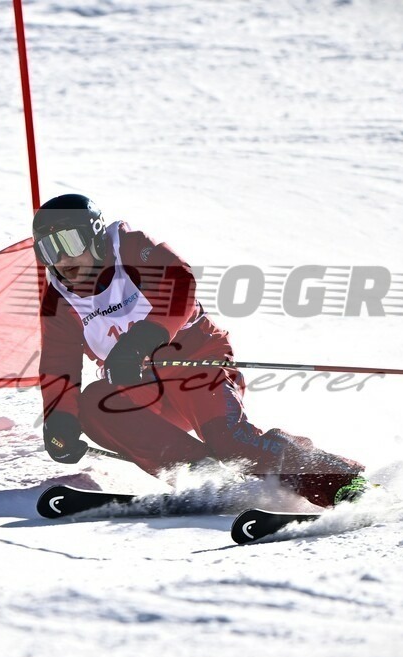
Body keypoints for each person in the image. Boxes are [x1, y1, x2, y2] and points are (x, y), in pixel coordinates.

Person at [34, 193, 365, 507]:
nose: (61, 259)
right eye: (48, 250)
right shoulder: (59, 301)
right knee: (94, 405)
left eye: (69, 243)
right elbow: (57, 364)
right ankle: (206, 478)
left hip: (196, 365)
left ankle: (340, 481)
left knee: (229, 441)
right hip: (141, 389)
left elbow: (179, 285)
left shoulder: (132, 249)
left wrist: (138, 343)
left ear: (94, 236)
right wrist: (58, 421)